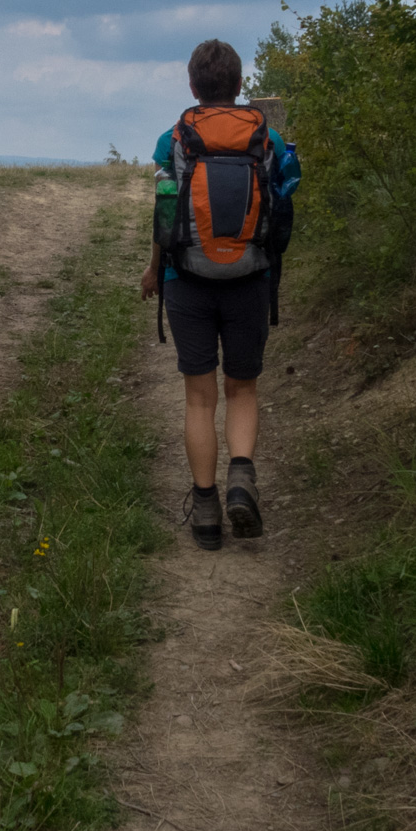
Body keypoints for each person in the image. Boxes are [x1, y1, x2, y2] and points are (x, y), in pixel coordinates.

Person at [140, 39, 301, 550]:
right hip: (250, 279)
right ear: (238, 86)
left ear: (193, 87)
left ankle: (206, 512)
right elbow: (283, 202)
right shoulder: (268, 138)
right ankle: (241, 479)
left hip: (185, 279)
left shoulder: (174, 139)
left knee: (198, 396)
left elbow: (166, 213)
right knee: (243, 389)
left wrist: (152, 269)